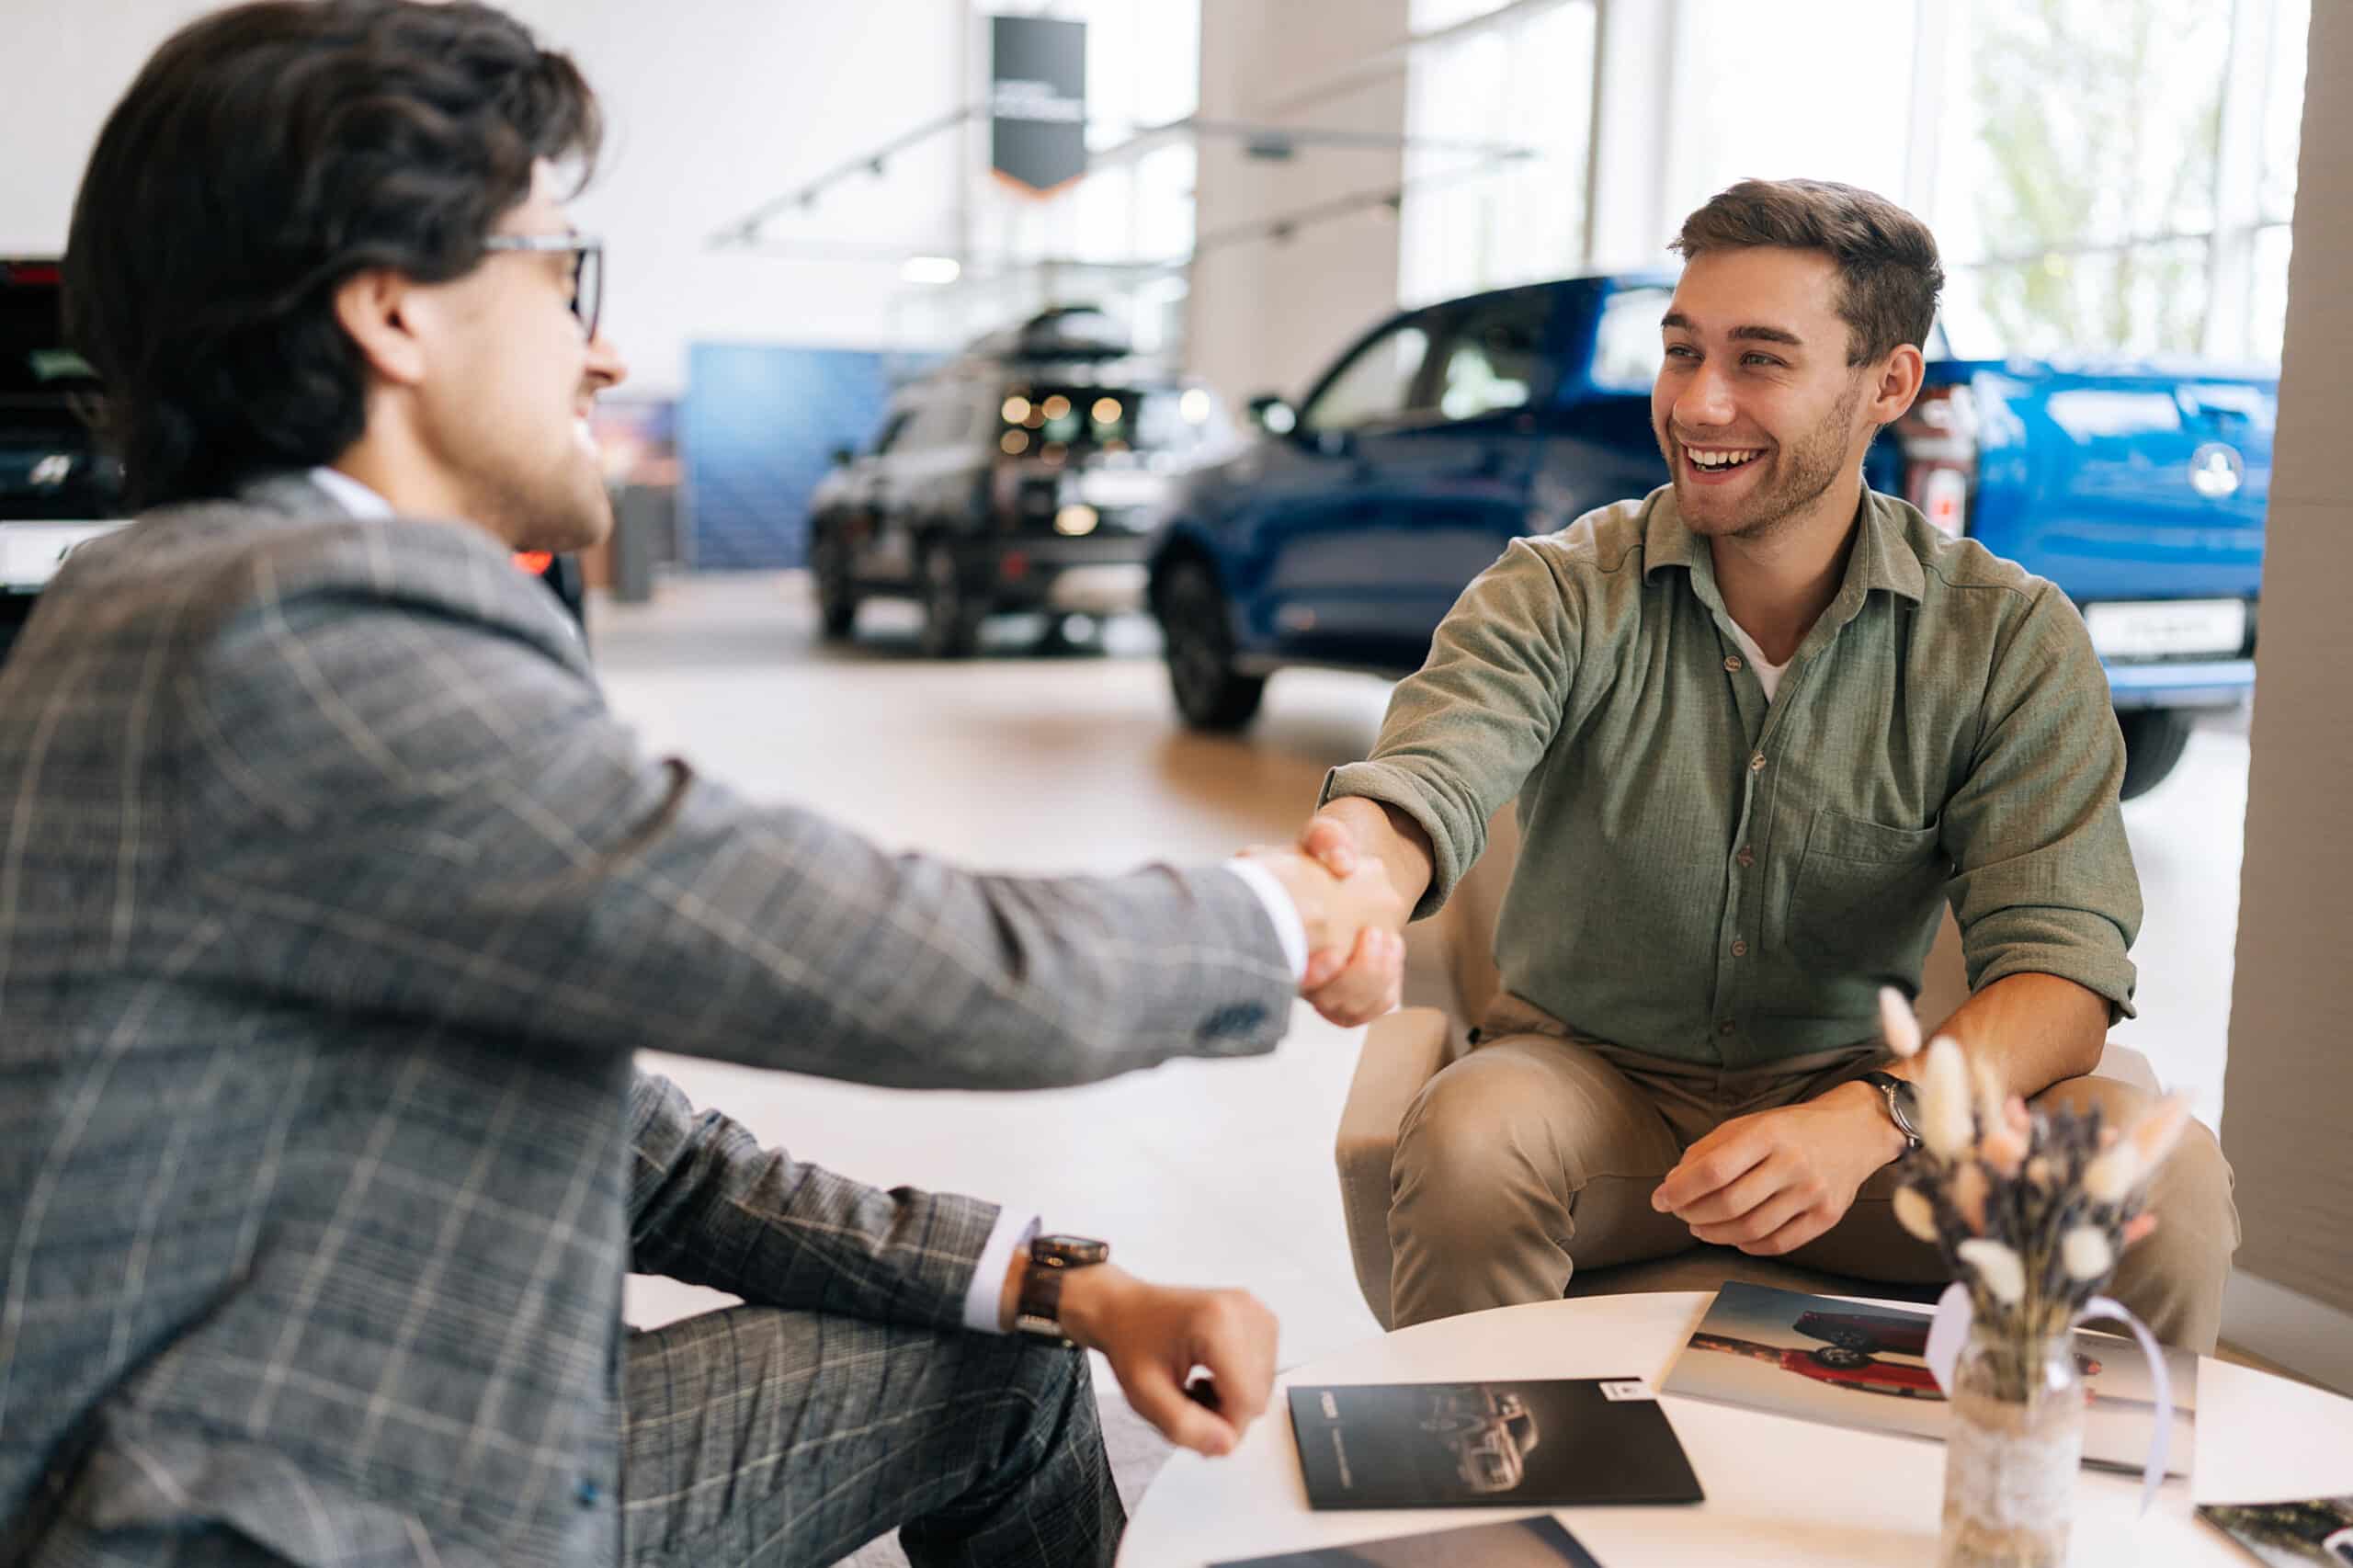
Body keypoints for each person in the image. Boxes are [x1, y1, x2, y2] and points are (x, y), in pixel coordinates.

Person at [0, 5, 1406, 1565]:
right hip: (281, 1513)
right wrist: (1282, 912)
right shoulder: (295, 631)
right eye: (558, 270)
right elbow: (882, 955)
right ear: (392, 312)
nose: (601, 345)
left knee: (1000, 1371)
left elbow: (635, 1151)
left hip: (350, 1433)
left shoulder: (205, 603)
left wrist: (1063, 1280)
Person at [1295, 177, 2238, 1349]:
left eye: (1758, 360)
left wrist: (1873, 1116)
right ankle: (1489, 1512)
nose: (1698, 401)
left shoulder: (2003, 637)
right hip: (1595, 1097)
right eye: (1681, 351)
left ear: (1887, 384)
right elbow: (1428, 774)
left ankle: (2046, 1514)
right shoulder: (1555, 587)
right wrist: (1357, 884)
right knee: (1472, 1134)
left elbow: (2062, 968)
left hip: (1883, 1128)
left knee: (2161, 1175)